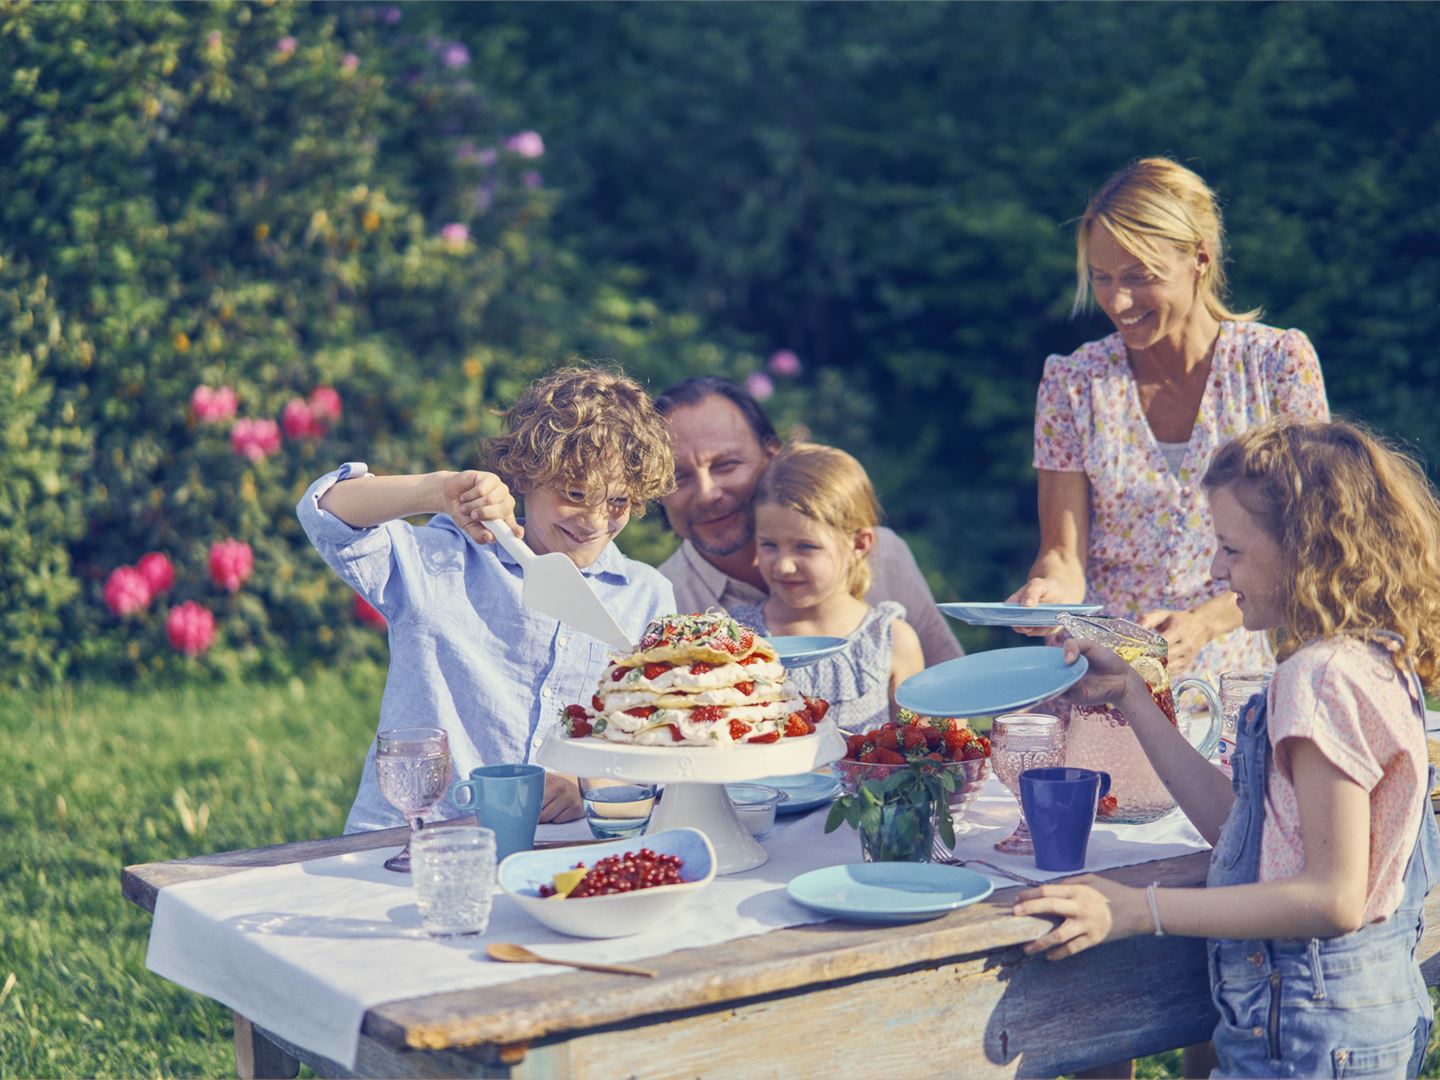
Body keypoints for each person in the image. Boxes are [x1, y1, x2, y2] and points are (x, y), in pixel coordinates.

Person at [1013, 417, 1440, 1077]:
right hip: (1350, 1027)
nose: (1215, 569)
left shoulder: (1320, 677)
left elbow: (1332, 898)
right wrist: (1130, 694)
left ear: (1308, 550)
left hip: (1304, 1039)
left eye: (1231, 549)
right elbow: (1247, 833)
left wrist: (1138, 909)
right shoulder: (1372, 660)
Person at [297, 366, 676, 831]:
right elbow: (327, 516)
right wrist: (438, 490)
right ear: (526, 476)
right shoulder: (446, 561)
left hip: (557, 845)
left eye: (618, 502)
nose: (595, 521)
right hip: (407, 840)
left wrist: (586, 787)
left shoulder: (647, 596)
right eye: (575, 493)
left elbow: (649, 738)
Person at [1009, 157, 1329, 682]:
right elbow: (1062, 555)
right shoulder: (1071, 382)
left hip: (1232, 675)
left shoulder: (1278, 365)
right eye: (1102, 277)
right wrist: (1046, 593)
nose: (1117, 300)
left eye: (1140, 277)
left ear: (1200, 258)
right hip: (1101, 676)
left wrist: (1202, 623)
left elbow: (1308, 540)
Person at [655, 376, 963, 668]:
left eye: (726, 465)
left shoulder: (882, 555)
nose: (707, 493)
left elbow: (951, 694)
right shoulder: (657, 603)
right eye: (678, 477)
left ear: (772, 456)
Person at [728, 443, 925, 732]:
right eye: (769, 545)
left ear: (859, 544)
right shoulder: (737, 636)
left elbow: (918, 746)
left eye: (805, 546)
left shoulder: (890, 640)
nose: (783, 565)